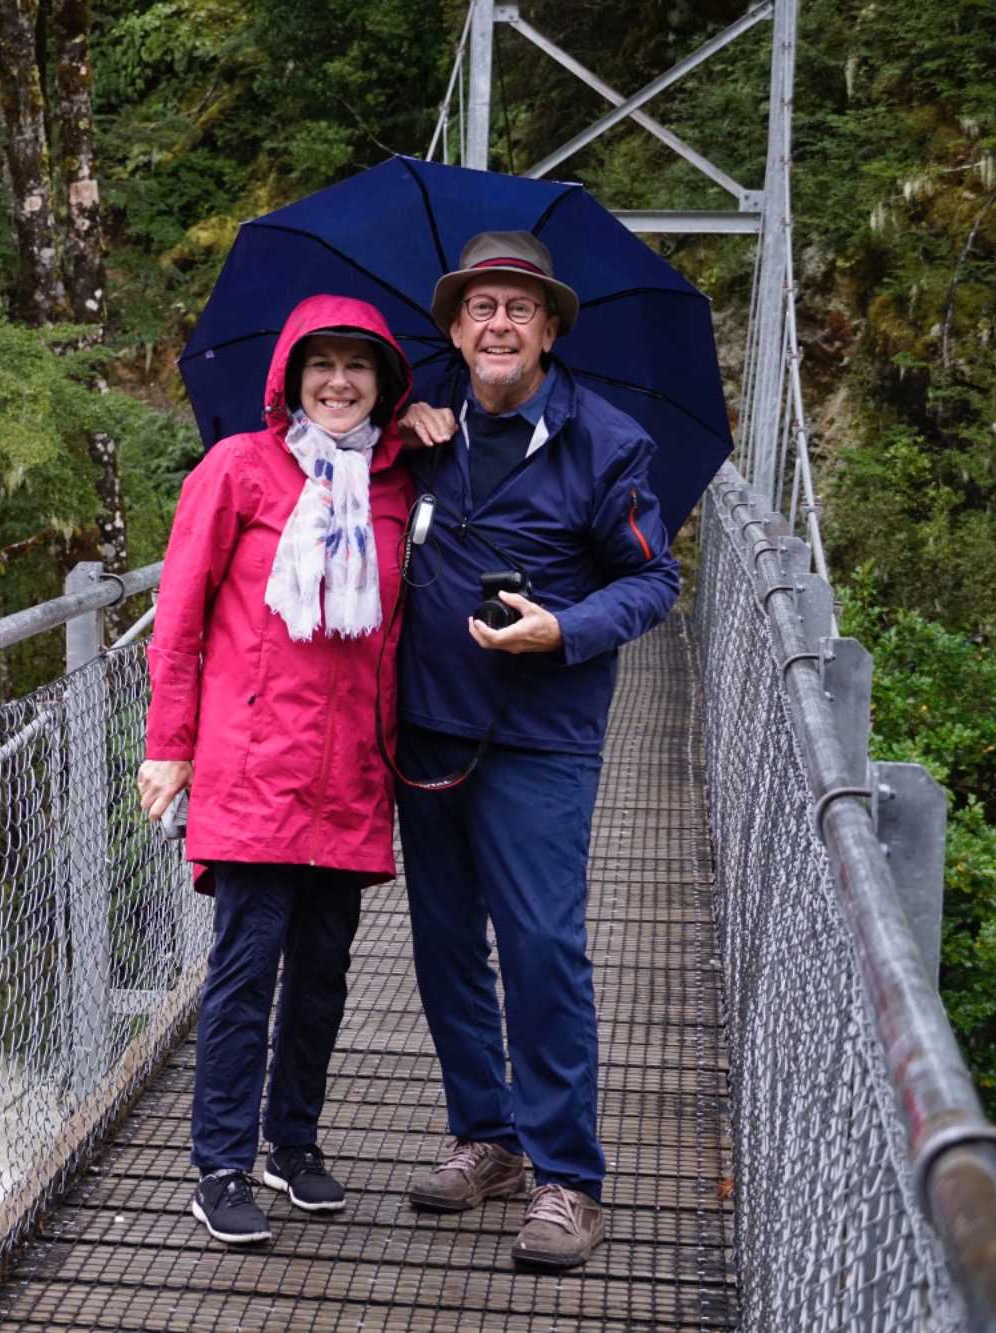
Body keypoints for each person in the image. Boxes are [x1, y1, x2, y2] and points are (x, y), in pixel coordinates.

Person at [390, 231, 680, 1270]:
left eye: (519, 307)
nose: (499, 324)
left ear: (550, 329)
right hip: (427, 728)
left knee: (541, 947)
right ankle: (488, 1139)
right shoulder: (420, 429)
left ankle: (568, 1178)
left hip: (539, 736)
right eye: (481, 308)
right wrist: (389, 432)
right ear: (455, 329)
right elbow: (314, 463)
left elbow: (653, 581)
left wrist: (564, 629)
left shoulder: (606, 444)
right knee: (442, 945)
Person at [137, 294, 413, 1246]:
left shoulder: (397, 480)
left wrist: (436, 431)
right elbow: (178, 617)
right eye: (320, 365)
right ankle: (220, 1163)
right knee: (245, 970)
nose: (339, 382)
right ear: (291, 378)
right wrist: (169, 742)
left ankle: (292, 1143)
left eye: (359, 366)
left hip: (351, 773)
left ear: (385, 382)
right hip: (255, 765)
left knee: (324, 975)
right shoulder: (238, 468)